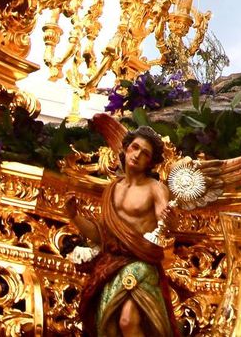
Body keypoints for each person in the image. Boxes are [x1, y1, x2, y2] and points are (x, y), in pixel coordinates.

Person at [71, 125, 177, 337]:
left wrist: (171, 219)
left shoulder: (154, 188)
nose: (137, 155)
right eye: (135, 147)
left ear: (151, 161)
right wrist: (74, 216)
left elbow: (167, 226)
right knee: (107, 324)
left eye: (145, 153)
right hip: (111, 263)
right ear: (126, 149)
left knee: (128, 321)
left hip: (140, 263)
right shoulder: (112, 188)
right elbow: (100, 235)